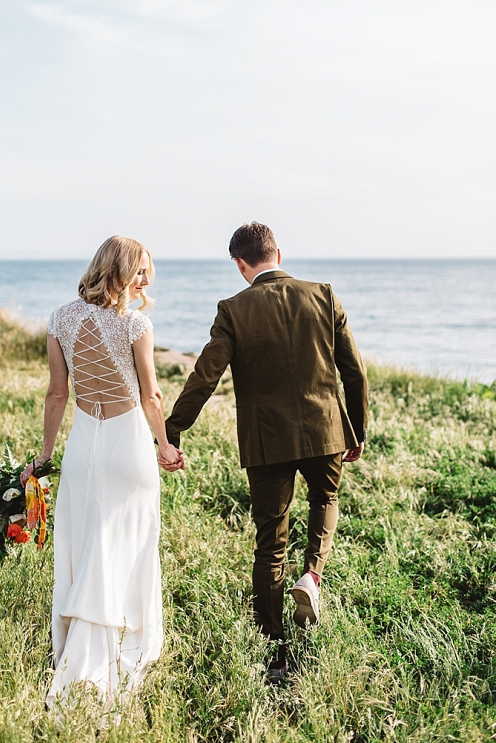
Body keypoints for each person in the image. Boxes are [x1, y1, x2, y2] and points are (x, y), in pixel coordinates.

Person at [164, 222, 368, 681]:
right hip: (325, 432)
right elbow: (354, 371)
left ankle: (274, 652)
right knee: (325, 501)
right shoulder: (324, 294)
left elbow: (204, 376)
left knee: (269, 544)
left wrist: (172, 430)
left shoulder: (233, 309)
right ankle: (312, 574)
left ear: (240, 264)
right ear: (278, 252)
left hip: (266, 441)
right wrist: (357, 429)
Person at [20, 236, 184, 709]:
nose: (147, 281)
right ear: (117, 272)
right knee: (128, 541)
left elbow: (56, 395)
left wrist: (45, 454)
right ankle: (121, 641)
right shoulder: (135, 324)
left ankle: (79, 641)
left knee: (89, 539)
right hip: (127, 443)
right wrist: (164, 445)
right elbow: (151, 398)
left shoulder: (59, 319)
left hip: (84, 444)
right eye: (140, 271)